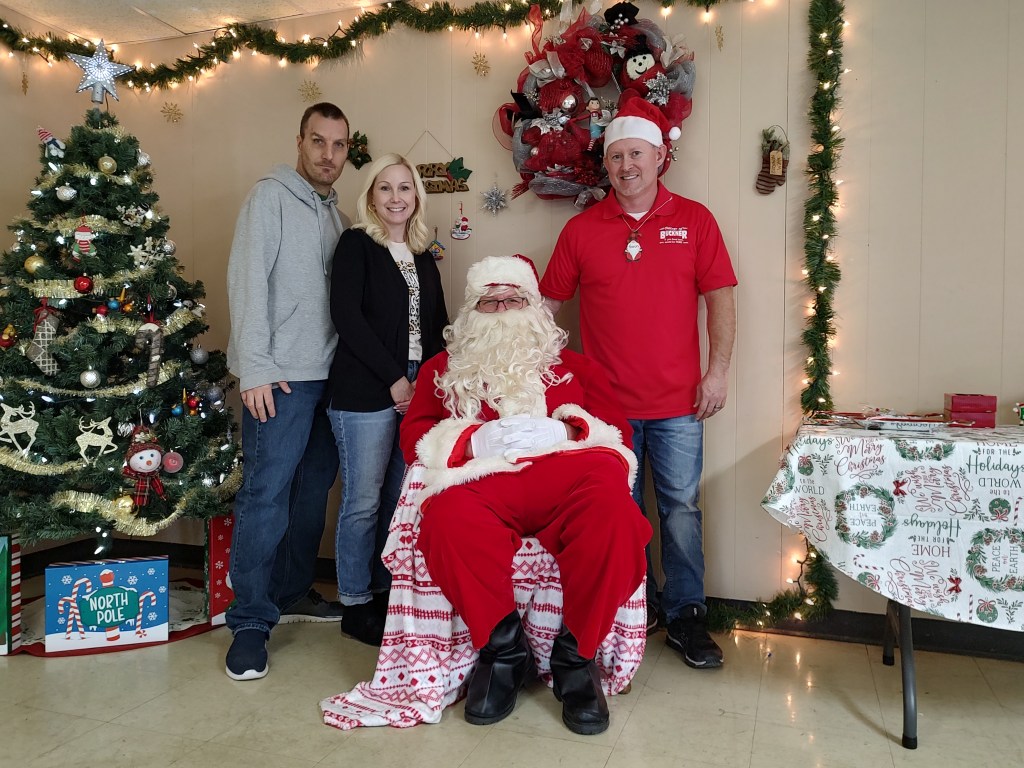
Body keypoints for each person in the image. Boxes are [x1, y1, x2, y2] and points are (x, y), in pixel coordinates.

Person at [401, 255, 651, 735]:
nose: (502, 310)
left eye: (513, 300)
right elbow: (414, 434)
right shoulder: (443, 370)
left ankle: (575, 658)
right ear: (471, 312)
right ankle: (503, 653)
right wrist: (470, 440)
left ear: (534, 307)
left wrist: (569, 430)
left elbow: (618, 431)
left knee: (617, 519)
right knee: (447, 521)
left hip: (570, 477)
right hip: (483, 482)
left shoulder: (576, 368)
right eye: (489, 302)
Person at [540, 97, 737, 670]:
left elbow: (721, 300)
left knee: (680, 510)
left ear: (659, 157)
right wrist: (535, 377)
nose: (627, 166)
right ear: (606, 164)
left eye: (636, 154)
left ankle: (687, 616)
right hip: (605, 411)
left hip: (680, 404)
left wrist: (717, 373)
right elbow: (547, 309)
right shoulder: (581, 230)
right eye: (616, 156)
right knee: (619, 512)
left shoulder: (695, 220)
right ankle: (634, 607)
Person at [224, 102, 352, 681]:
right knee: (266, 494)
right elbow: (247, 282)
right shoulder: (269, 198)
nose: (328, 154)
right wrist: (253, 368)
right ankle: (250, 621)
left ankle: (294, 589)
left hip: (329, 377)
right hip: (279, 377)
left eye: (339, 144)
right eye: (318, 141)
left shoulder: (338, 216)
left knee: (311, 493)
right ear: (299, 142)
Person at [327, 154, 447, 646]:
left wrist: (431, 385)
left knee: (398, 499)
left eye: (405, 187)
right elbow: (347, 318)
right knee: (362, 500)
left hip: (416, 388)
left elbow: (437, 326)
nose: (396, 197)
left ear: (416, 196)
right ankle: (354, 603)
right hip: (365, 390)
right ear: (371, 197)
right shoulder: (357, 244)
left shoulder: (422, 253)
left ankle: (382, 592)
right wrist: (396, 380)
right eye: (385, 188)